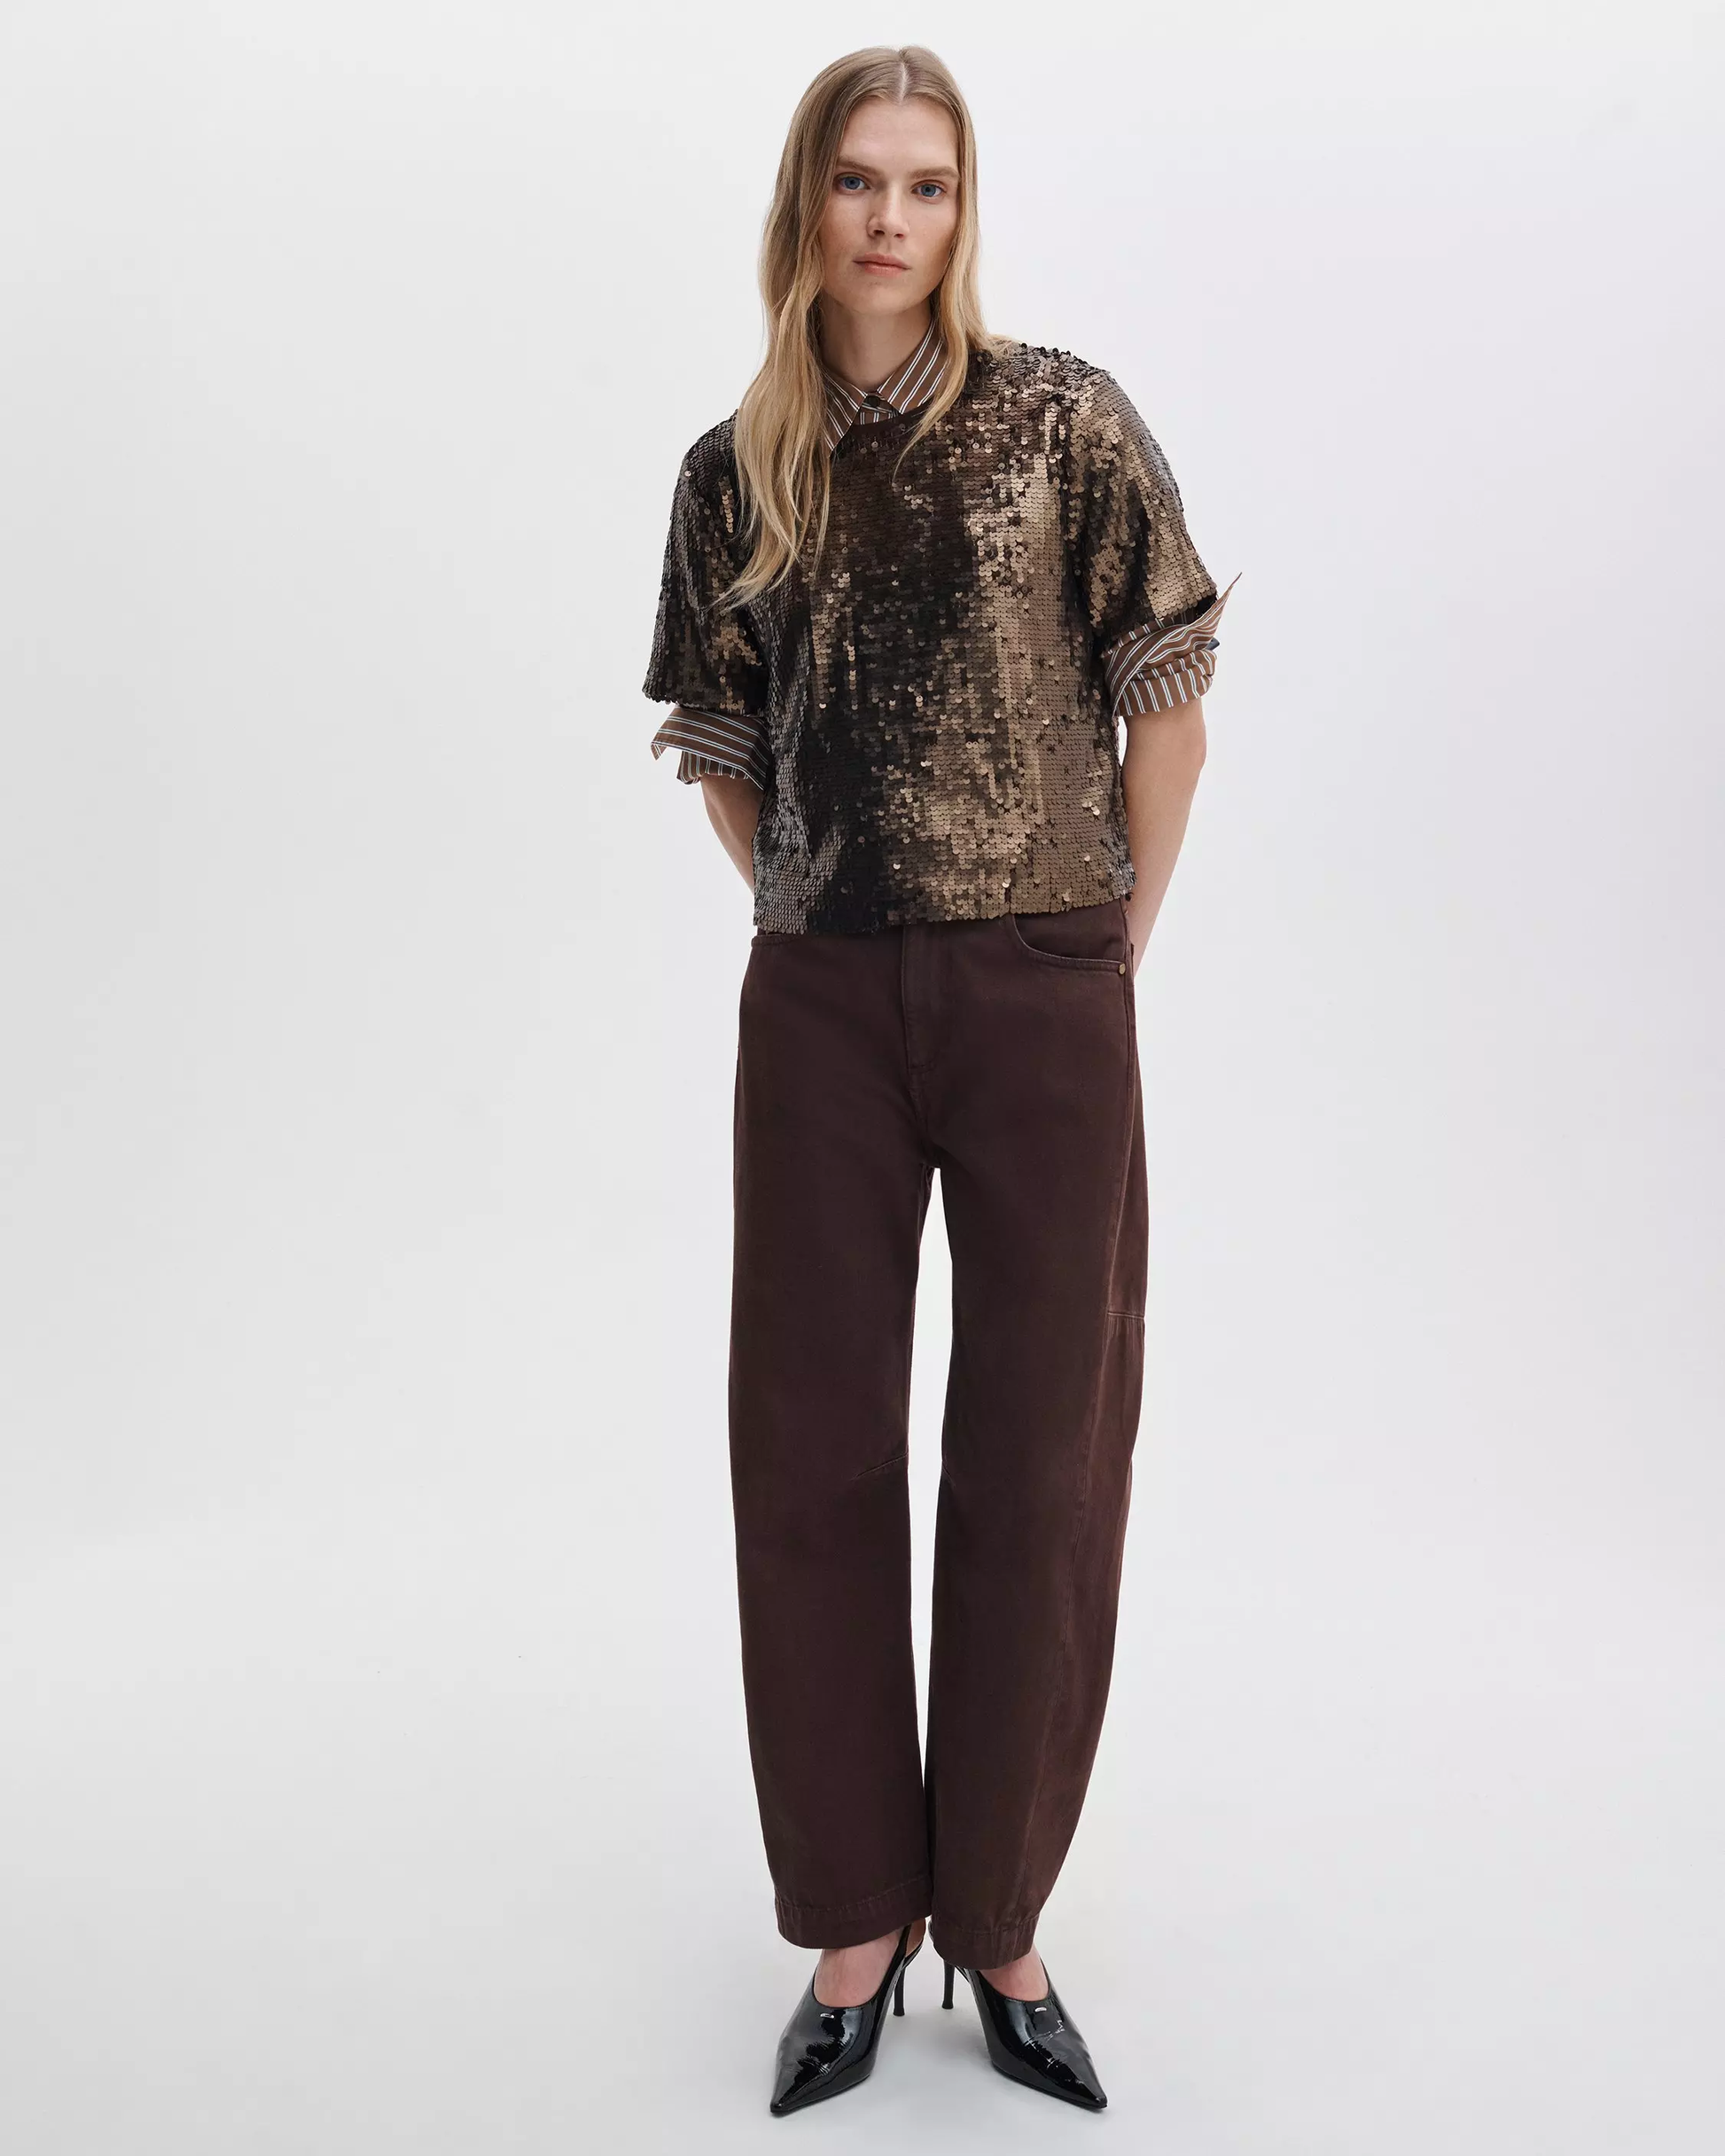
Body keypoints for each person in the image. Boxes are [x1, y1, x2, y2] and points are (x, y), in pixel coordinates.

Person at [642, 44, 1237, 2117]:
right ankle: (852, 1922)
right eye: (857, 181)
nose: (891, 218)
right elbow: (725, 754)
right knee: (806, 1446)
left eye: (927, 184)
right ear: (803, 205)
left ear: (963, 211)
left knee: (1041, 1453)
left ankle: (996, 1915)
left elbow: (1168, 700)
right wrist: (814, 891)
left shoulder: (1063, 421)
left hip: (1047, 979)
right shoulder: (737, 470)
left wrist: (1106, 944)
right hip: (817, 997)